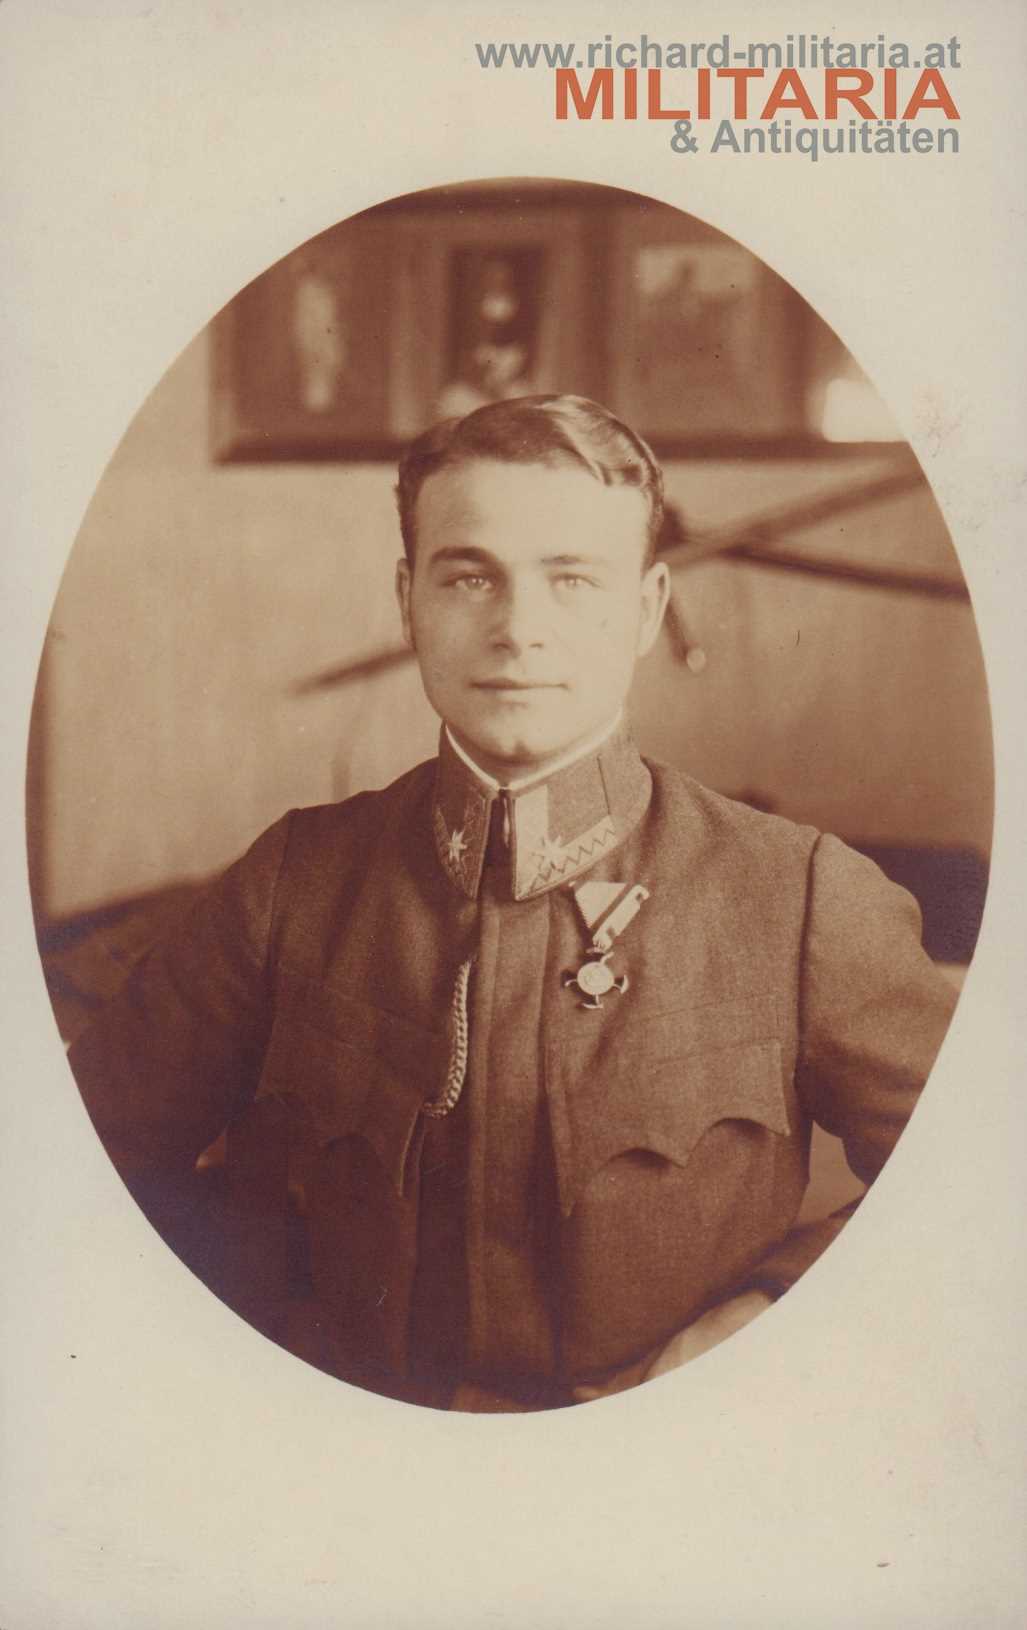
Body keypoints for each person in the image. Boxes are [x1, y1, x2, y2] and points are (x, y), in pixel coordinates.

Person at [68, 394, 956, 1412]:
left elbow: (974, 1181)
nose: (518, 630)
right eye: (468, 577)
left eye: (571, 580)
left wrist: (765, 1318)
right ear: (408, 600)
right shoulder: (292, 884)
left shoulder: (794, 894)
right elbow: (75, 1169)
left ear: (646, 609)